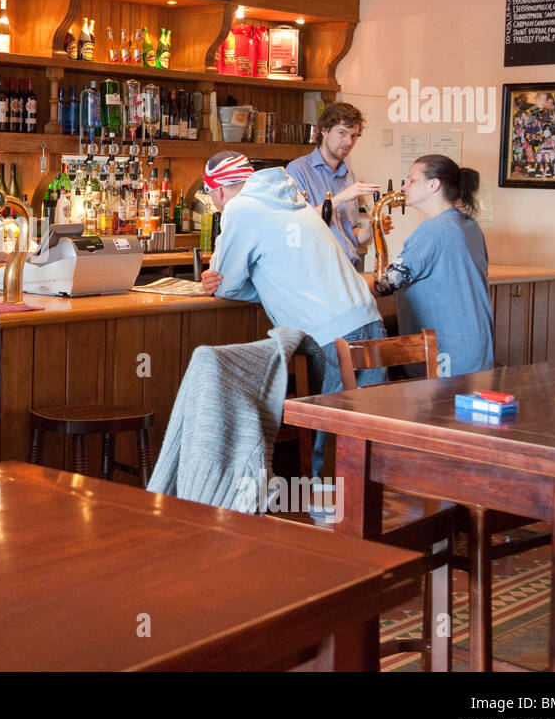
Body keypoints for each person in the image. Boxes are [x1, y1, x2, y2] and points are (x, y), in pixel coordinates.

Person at [198, 152, 386, 477]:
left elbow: (225, 282)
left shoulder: (240, 208)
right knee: (367, 437)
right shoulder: (291, 197)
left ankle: (325, 520)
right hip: (367, 318)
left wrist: (217, 280)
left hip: (330, 332)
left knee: (331, 443)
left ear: (217, 191)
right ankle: (366, 518)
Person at [372, 155, 493, 377]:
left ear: (433, 184)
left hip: (448, 350)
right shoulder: (469, 225)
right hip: (476, 345)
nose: (404, 186)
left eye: (411, 180)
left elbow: (384, 285)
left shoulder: (432, 230)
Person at [286, 102, 381, 268]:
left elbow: (350, 233)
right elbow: (297, 223)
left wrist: (372, 229)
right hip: (316, 269)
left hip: (349, 267)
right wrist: (342, 197)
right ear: (324, 131)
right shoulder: (297, 170)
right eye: (342, 133)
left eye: (354, 136)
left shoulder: (348, 176)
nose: (348, 142)